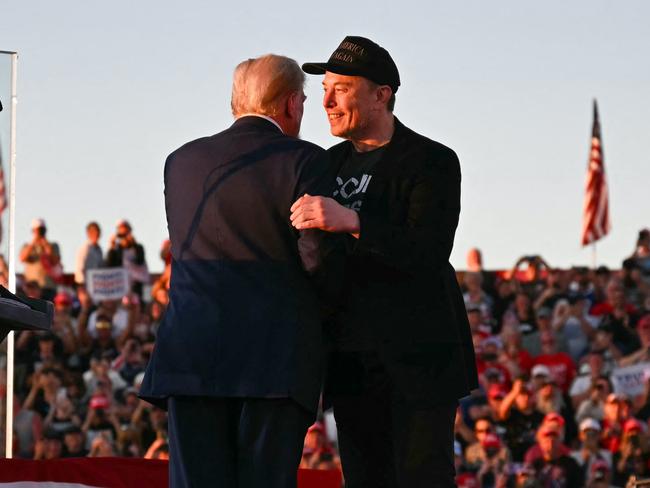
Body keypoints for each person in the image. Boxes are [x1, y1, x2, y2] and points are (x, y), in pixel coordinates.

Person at [139, 54, 336, 488]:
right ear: (289, 105)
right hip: (273, 363)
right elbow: (320, 260)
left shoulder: (181, 162)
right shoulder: (308, 162)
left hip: (191, 357)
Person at [292, 35, 477, 487]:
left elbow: (429, 251)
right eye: (323, 90)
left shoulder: (432, 160)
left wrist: (352, 220)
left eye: (342, 88)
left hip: (418, 362)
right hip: (352, 363)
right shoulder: (325, 165)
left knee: (421, 479)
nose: (328, 101)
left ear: (382, 95)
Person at [105, 220, 149, 299]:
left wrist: (134, 244)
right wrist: (112, 247)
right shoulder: (116, 250)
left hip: (137, 284)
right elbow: (109, 264)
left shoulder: (138, 248)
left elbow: (140, 260)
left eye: (126, 233)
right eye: (121, 235)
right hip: (121, 285)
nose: (124, 237)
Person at [19, 218, 62, 299]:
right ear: (33, 231)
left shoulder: (53, 245)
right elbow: (22, 258)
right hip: (31, 288)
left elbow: (55, 261)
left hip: (48, 287)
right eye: (37, 230)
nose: (40, 233)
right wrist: (33, 242)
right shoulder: (27, 246)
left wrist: (45, 245)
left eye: (41, 230)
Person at [74, 221, 103, 286]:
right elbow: (79, 269)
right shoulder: (85, 248)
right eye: (93, 232)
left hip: (97, 286)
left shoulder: (99, 250)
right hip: (86, 285)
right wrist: (82, 285)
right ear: (88, 233)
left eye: (98, 231)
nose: (96, 234)